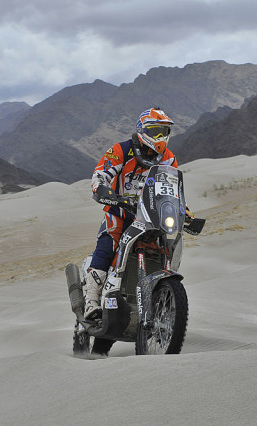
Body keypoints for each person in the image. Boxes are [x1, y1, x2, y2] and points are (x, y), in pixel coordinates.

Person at [84, 107, 191, 319]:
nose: (160, 137)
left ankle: (164, 300)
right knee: (107, 246)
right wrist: (103, 190)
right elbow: (100, 175)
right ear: (142, 131)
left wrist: (184, 211)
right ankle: (91, 302)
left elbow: (174, 189)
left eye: (164, 132)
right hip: (120, 213)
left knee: (168, 247)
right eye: (155, 132)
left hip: (152, 217)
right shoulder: (121, 150)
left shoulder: (168, 158)